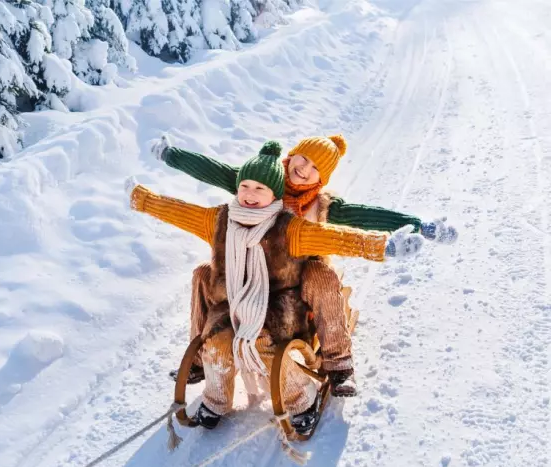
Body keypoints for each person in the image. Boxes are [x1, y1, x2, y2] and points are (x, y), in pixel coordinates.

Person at [129, 141, 424, 433]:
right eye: (245, 186)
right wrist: (148, 187)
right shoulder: (229, 211)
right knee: (208, 298)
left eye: (315, 167)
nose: (304, 169)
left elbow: (340, 235)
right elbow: (185, 202)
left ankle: (332, 368)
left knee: (309, 287)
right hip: (239, 292)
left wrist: (390, 243)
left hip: (287, 291)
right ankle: (212, 387)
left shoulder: (297, 222)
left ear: (277, 194)